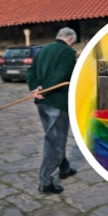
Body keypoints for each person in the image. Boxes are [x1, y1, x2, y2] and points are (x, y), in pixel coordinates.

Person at [26, 27, 78, 194]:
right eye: (73, 43)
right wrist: (45, 91)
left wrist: (35, 89)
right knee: (55, 142)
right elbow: (61, 76)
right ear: (70, 40)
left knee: (52, 136)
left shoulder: (42, 50)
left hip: (42, 103)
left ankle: (65, 168)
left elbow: (30, 71)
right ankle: (45, 181)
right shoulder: (68, 53)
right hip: (57, 102)